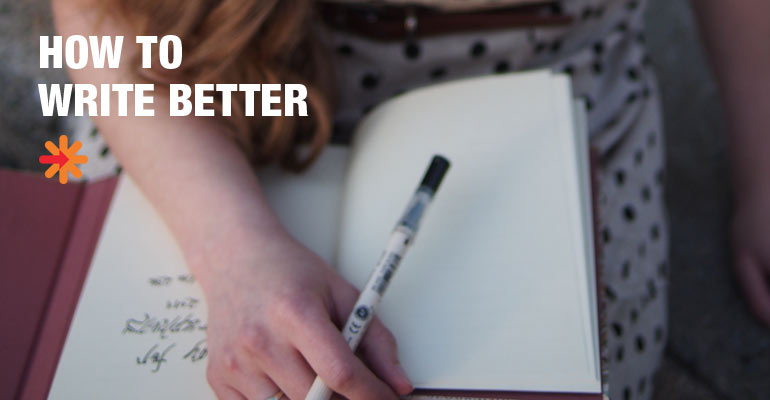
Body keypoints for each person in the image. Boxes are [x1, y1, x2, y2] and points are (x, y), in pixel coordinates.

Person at [51, 0, 770, 399]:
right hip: (223, 66)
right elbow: (100, 22)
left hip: (553, 86)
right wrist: (231, 251)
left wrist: (763, 163)